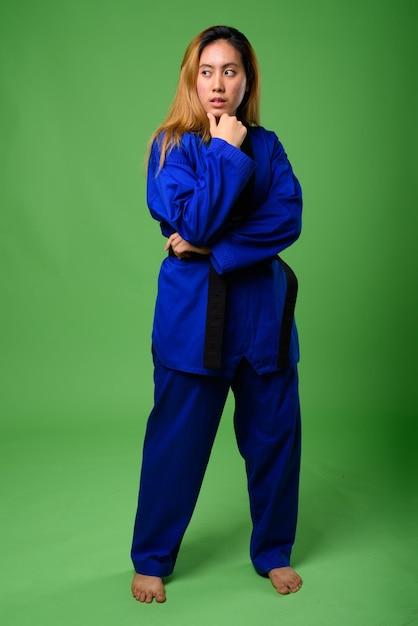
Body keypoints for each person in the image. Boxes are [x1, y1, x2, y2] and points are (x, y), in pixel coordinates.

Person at [131, 25, 303, 603]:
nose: (218, 84)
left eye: (230, 71)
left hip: (261, 321)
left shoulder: (270, 147)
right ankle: (152, 558)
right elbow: (193, 219)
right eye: (206, 72)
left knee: (275, 441)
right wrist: (225, 153)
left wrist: (213, 249)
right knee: (175, 447)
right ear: (191, 79)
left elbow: (287, 220)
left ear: (247, 79)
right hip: (192, 325)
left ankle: (274, 551)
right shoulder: (170, 147)